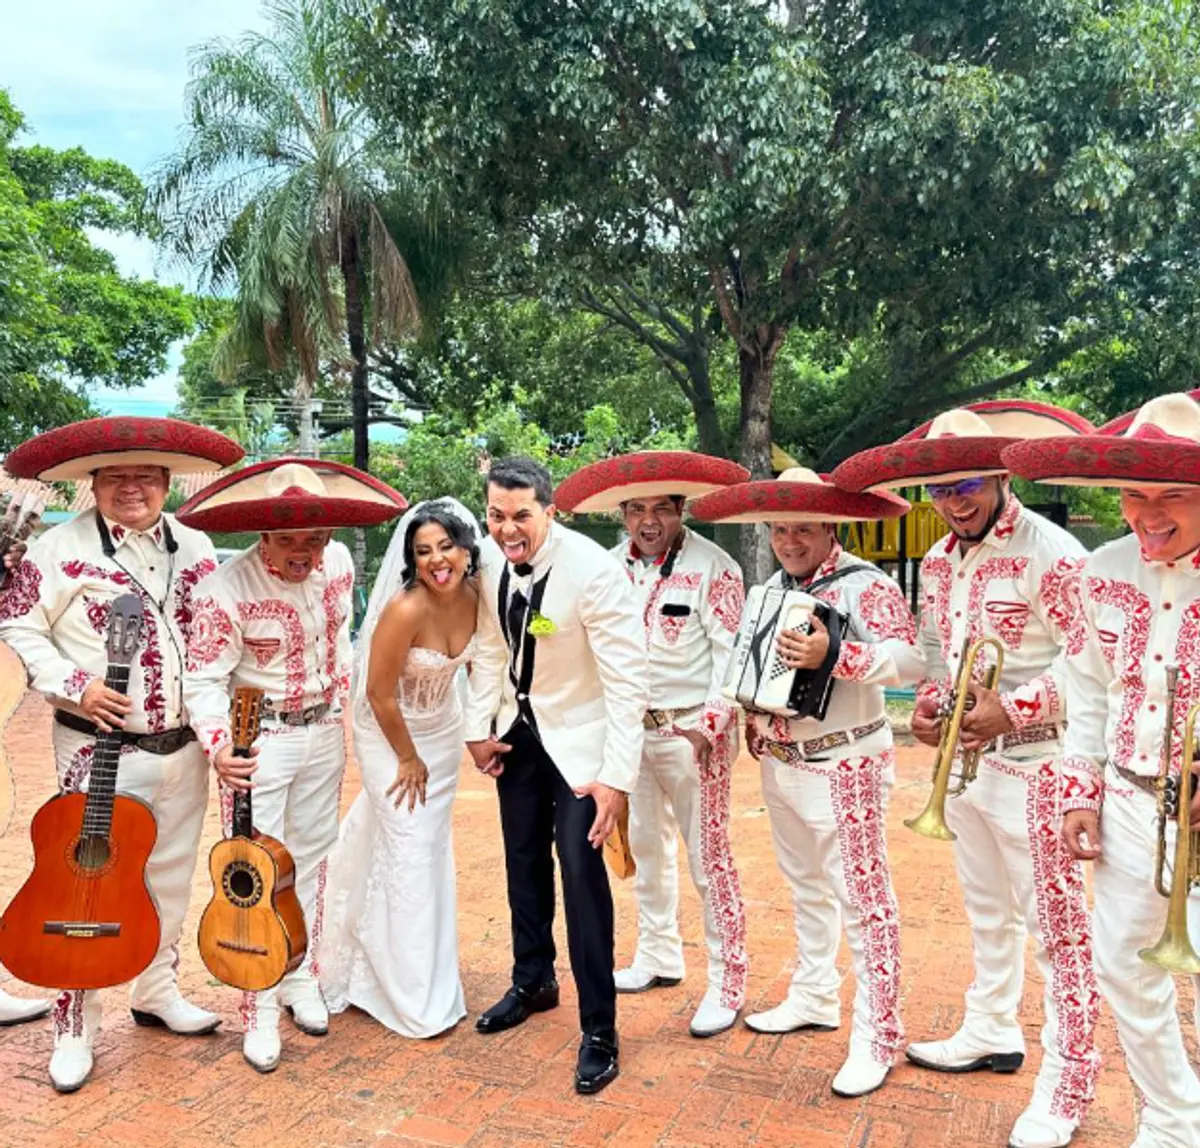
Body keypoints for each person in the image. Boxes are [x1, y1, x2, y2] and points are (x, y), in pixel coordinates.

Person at [833, 400, 1102, 1148]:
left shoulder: (1055, 553)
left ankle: (1070, 1079)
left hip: (1044, 768)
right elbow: (941, 658)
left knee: (1060, 932)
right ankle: (991, 1029)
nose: (953, 502)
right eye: (940, 490)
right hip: (973, 771)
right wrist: (926, 709)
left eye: (966, 485)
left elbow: (1095, 671)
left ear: (998, 475)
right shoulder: (939, 560)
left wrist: (1013, 710)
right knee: (988, 912)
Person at [0, 415, 244, 1091]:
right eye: (114, 475)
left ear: (167, 481)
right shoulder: (60, 548)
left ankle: (156, 990)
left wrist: (216, 731)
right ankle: (75, 1024)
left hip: (182, 746)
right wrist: (72, 686)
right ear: (92, 484)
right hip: (97, 748)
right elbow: (17, 619)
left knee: (167, 873)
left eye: (144, 475)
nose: (130, 487)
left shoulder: (195, 547)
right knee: (83, 881)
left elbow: (208, 642)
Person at [1003, 391, 1200, 1148]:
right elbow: (1086, 685)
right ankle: (1175, 1117)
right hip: (1126, 796)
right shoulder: (1100, 570)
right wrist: (1081, 788)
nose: (1147, 514)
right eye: (1133, 494)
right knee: (1122, 965)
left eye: (1173, 495)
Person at [692, 466, 920, 1098]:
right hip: (784, 763)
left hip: (847, 761)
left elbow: (910, 657)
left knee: (864, 900)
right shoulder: (769, 590)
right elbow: (749, 665)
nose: (790, 539)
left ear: (829, 526)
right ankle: (816, 994)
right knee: (806, 888)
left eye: (802, 527)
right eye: (780, 527)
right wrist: (749, 713)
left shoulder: (864, 585)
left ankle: (878, 1033)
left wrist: (836, 657)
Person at [178, 459, 406, 1073]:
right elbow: (202, 678)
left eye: (315, 536)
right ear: (263, 532)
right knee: (251, 869)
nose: (303, 551)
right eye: (288, 539)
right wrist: (221, 743)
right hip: (261, 739)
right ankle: (256, 1003)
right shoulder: (225, 589)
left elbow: (346, 638)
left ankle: (299, 975)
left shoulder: (340, 565)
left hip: (324, 729)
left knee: (309, 854)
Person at [464, 455, 647, 1095]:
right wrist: (478, 727)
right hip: (518, 734)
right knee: (522, 860)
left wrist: (616, 779)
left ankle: (600, 1028)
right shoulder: (487, 563)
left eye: (520, 516)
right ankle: (533, 979)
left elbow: (628, 685)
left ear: (549, 510)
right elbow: (490, 646)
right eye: (495, 515)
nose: (507, 529)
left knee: (578, 865)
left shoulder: (595, 573)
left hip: (584, 742)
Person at [554, 451, 750, 1037]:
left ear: (679, 511)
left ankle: (729, 980)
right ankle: (660, 954)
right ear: (621, 513)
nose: (647, 521)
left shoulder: (716, 567)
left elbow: (733, 654)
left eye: (660, 510)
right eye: (636, 509)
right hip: (629, 735)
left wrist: (710, 724)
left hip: (693, 732)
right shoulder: (605, 568)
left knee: (708, 859)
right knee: (643, 849)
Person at [319, 498, 482, 1037]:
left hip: (443, 729)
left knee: (427, 851)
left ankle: (410, 964)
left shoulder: (478, 595)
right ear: (410, 560)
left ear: (465, 549)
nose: (437, 560)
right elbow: (378, 695)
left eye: (445, 547)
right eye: (422, 552)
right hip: (391, 735)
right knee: (410, 849)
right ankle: (411, 995)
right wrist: (407, 757)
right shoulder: (405, 609)